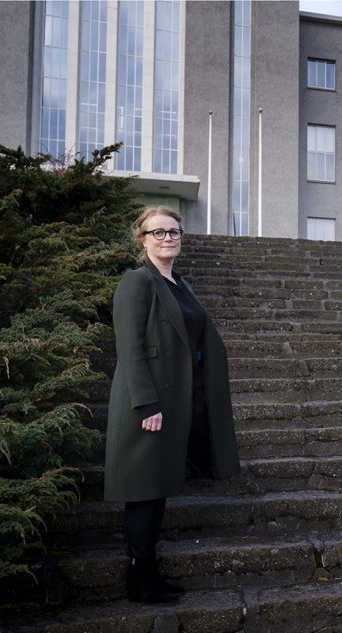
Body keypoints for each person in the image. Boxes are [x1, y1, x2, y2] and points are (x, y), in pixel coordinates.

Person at [104, 206, 240, 604]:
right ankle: (139, 578)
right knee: (144, 489)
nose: (168, 238)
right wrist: (146, 404)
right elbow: (129, 348)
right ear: (142, 239)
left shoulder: (180, 284)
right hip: (146, 402)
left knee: (158, 487)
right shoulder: (136, 281)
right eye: (158, 232)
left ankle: (149, 573)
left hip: (175, 399)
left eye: (174, 232)